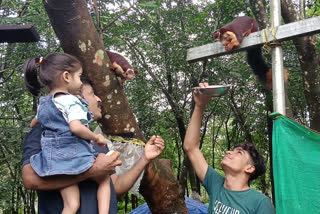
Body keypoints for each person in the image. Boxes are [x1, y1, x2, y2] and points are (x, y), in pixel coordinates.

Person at [22, 77, 165, 214]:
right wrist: (93, 171)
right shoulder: (47, 131)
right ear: (75, 99)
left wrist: (145, 158)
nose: (99, 99)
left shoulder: (97, 140)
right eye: (92, 94)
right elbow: (30, 180)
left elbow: (114, 186)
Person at [23, 53, 113, 214]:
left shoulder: (44, 105)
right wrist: (96, 137)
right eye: (79, 76)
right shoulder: (71, 100)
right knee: (104, 180)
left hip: (56, 164)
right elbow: (76, 128)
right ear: (66, 76)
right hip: (74, 156)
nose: (80, 81)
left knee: (71, 205)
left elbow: (33, 122)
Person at [183, 83, 275, 213]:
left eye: (239, 152)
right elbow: (190, 147)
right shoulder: (215, 184)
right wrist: (199, 105)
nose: (228, 152)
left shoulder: (260, 203)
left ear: (249, 168)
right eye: (232, 149)